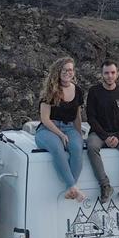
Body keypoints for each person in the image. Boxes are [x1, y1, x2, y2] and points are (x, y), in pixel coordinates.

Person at [85, 60, 119, 205]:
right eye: (106, 73)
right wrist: (105, 137)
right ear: (102, 74)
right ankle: (105, 185)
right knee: (92, 147)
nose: (109, 76)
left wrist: (118, 136)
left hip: (117, 132)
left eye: (112, 72)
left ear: (117, 74)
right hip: (98, 133)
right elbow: (91, 118)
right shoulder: (94, 91)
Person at [35, 57, 85, 200]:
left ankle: (71, 189)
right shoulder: (50, 91)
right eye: (64, 70)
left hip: (69, 127)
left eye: (70, 70)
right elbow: (45, 119)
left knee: (77, 148)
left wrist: (79, 134)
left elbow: (77, 116)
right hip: (48, 129)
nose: (67, 72)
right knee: (57, 148)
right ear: (58, 71)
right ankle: (73, 187)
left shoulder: (78, 90)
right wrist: (60, 135)